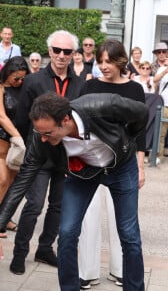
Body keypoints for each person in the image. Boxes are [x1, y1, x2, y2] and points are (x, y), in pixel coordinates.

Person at [0, 91, 148, 291]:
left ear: (66, 120)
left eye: (48, 133)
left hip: (121, 168)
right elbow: (23, 180)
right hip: (82, 175)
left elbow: (142, 112)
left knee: (129, 235)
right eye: (40, 133)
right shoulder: (40, 137)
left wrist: (126, 139)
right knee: (67, 232)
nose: (42, 138)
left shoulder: (101, 105)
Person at [8, 30, 85, 275]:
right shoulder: (34, 81)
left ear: (74, 54)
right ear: (49, 51)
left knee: (58, 206)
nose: (61, 55)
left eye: (67, 51)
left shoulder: (80, 84)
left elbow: (79, 120)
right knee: (34, 205)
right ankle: (19, 253)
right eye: (57, 50)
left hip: (66, 155)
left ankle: (44, 249)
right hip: (39, 155)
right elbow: (21, 120)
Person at [79, 39, 146, 289]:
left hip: (124, 163)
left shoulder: (136, 90)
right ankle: (86, 272)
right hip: (90, 161)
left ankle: (121, 272)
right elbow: (76, 123)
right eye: (100, 61)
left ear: (120, 61)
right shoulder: (90, 86)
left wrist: (141, 166)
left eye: (108, 61)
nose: (103, 66)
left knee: (126, 226)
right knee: (88, 218)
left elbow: (140, 134)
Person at [0, 56, 30, 239]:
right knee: (2, 180)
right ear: (8, 73)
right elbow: (1, 116)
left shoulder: (25, 88)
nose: (19, 81)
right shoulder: (1, 88)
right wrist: (17, 136)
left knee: (12, 183)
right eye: (16, 78)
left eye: (23, 78)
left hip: (18, 146)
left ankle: (4, 217)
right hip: (4, 140)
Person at [151, 42, 168, 157]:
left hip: (167, 98)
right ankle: (154, 146)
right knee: (154, 122)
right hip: (155, 96)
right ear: (156, 54)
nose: (162, 54)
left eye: (164, 51)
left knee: (166, 123)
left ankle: (166, 146)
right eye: (159, 52)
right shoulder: (152, 66)